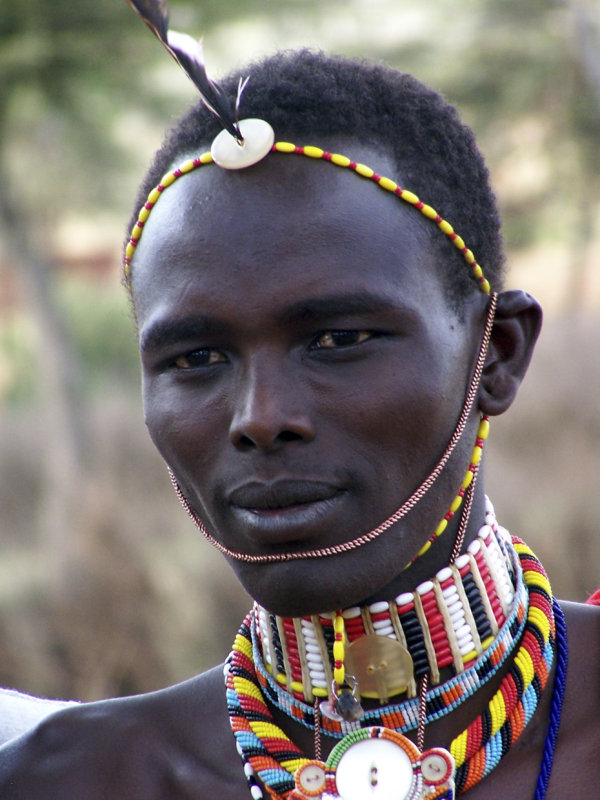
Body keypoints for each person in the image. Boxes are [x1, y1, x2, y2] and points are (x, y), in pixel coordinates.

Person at [1, 40, 599, 800]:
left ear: (498, 354)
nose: (260, 419)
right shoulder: (72, 780)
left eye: (338, 341)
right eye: (196, 359)